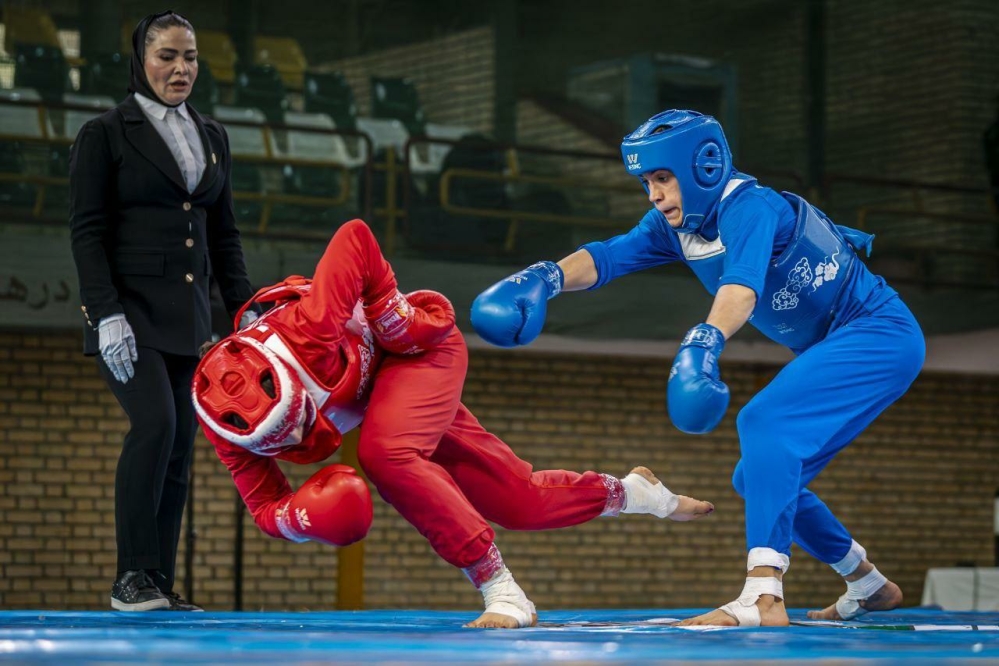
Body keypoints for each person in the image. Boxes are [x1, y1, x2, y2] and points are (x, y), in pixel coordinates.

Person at [471, 110, 925, 627]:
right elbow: (608, 257)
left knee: (764, 422)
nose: (654, 195)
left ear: (704, 168)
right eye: (647, 182)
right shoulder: (679, 226)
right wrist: (546, 277)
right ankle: (868, 583)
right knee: (759, 477)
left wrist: (705, 341)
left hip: (877, 332)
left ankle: (764, 596)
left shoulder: (750, 207)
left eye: (663, 178)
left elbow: (742, 288)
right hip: (835, 343)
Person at [191, 218, 715, 628]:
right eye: (280, 443)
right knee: (518, 502)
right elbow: (265, 507)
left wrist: (392, 314)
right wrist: (304, 520)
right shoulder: (224, 427)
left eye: (296, 424)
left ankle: (502, 590)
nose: (295, 441)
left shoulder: (309, 329)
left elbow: (356, 237)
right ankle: (636, 492)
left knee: (385, 454)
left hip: (418, 354)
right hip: (385, 400)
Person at [69, 11, 256, 611]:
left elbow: (223, 235)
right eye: (167, 56)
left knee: (180, 445)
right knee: (155, 426)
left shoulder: (213, 135)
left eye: (190, 57)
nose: (181, 69)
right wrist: (105, 314)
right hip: (129, 316)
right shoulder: (104, 133)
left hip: (191, 322)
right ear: (141, 61)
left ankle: (157, 581)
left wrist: (246, 311)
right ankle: (129, 576)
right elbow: (87, 233)